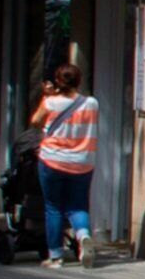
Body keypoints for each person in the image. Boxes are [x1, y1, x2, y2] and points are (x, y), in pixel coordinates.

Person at [26, 61, 99, 266]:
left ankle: (56, 256)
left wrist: (48, 95)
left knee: (54, 207)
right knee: (78, 205)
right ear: (79, 81)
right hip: (83, 162)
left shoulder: (50, 103)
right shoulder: (92, 103)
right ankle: (83, 236)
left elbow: (35, 121)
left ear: (58, 81)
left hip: (53, 160)